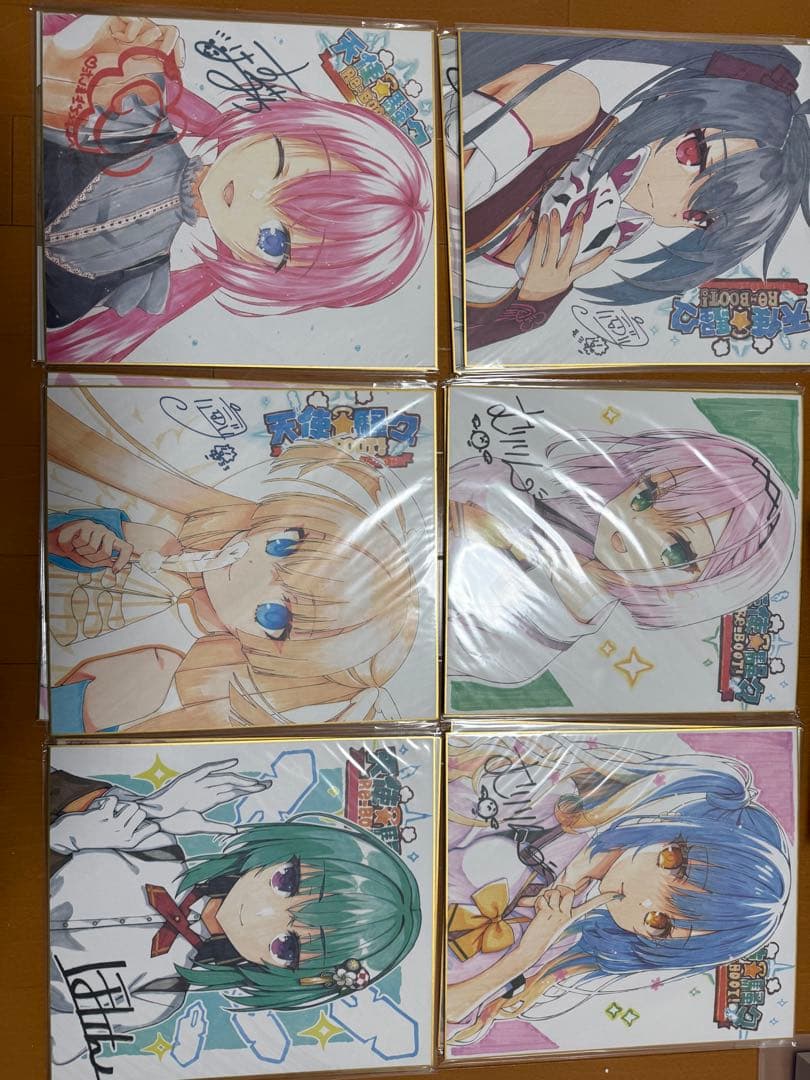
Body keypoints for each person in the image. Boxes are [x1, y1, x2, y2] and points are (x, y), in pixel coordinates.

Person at [42, 14, 433, 362]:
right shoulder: (136, 105)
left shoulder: (145, 279)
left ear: (267, 272)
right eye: (278, 165)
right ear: (276, 127)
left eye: (275, 239)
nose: (254, 197)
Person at [47, 397, 419, 732]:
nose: (250, 571)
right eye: (281, 545)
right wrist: (72, 537)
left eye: (273, 615)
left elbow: (53, 718)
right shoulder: (160, 543)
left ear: (269, 652)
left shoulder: (161, 671)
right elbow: (51, 532)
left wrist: (87, 703)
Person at [50, 759, 421, 1068]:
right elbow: (45, 786)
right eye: (286, 881)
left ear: (283, 975)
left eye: (287, 946)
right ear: (280, 854)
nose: (261, 914)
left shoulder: (161, 993)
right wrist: (65, 836)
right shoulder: (149, 841)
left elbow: (58, 1047)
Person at [455, 33, 810, 349]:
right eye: (694, 154)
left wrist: (536, 297)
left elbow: (460, 340)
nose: (679, 199)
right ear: (673, 102)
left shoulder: (602, 236)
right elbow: (434, 183)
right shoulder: (567, 104)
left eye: (701, 216)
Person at [445, 733, 790, 1045]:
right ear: (674, 825)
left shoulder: (559, 942)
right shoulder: (559, 804)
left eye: (659, 923)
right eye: (673, 862)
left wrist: (526, 954)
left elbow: (442, 1011)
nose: (643, 899)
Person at [447, 429, 793, 688]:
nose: (635, 528)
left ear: (695, 587)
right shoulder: (500, 490)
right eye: (646, 495)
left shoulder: (564, 624)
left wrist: (570, 601)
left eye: (677, 550)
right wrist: (492, 517)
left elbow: (465, 655)